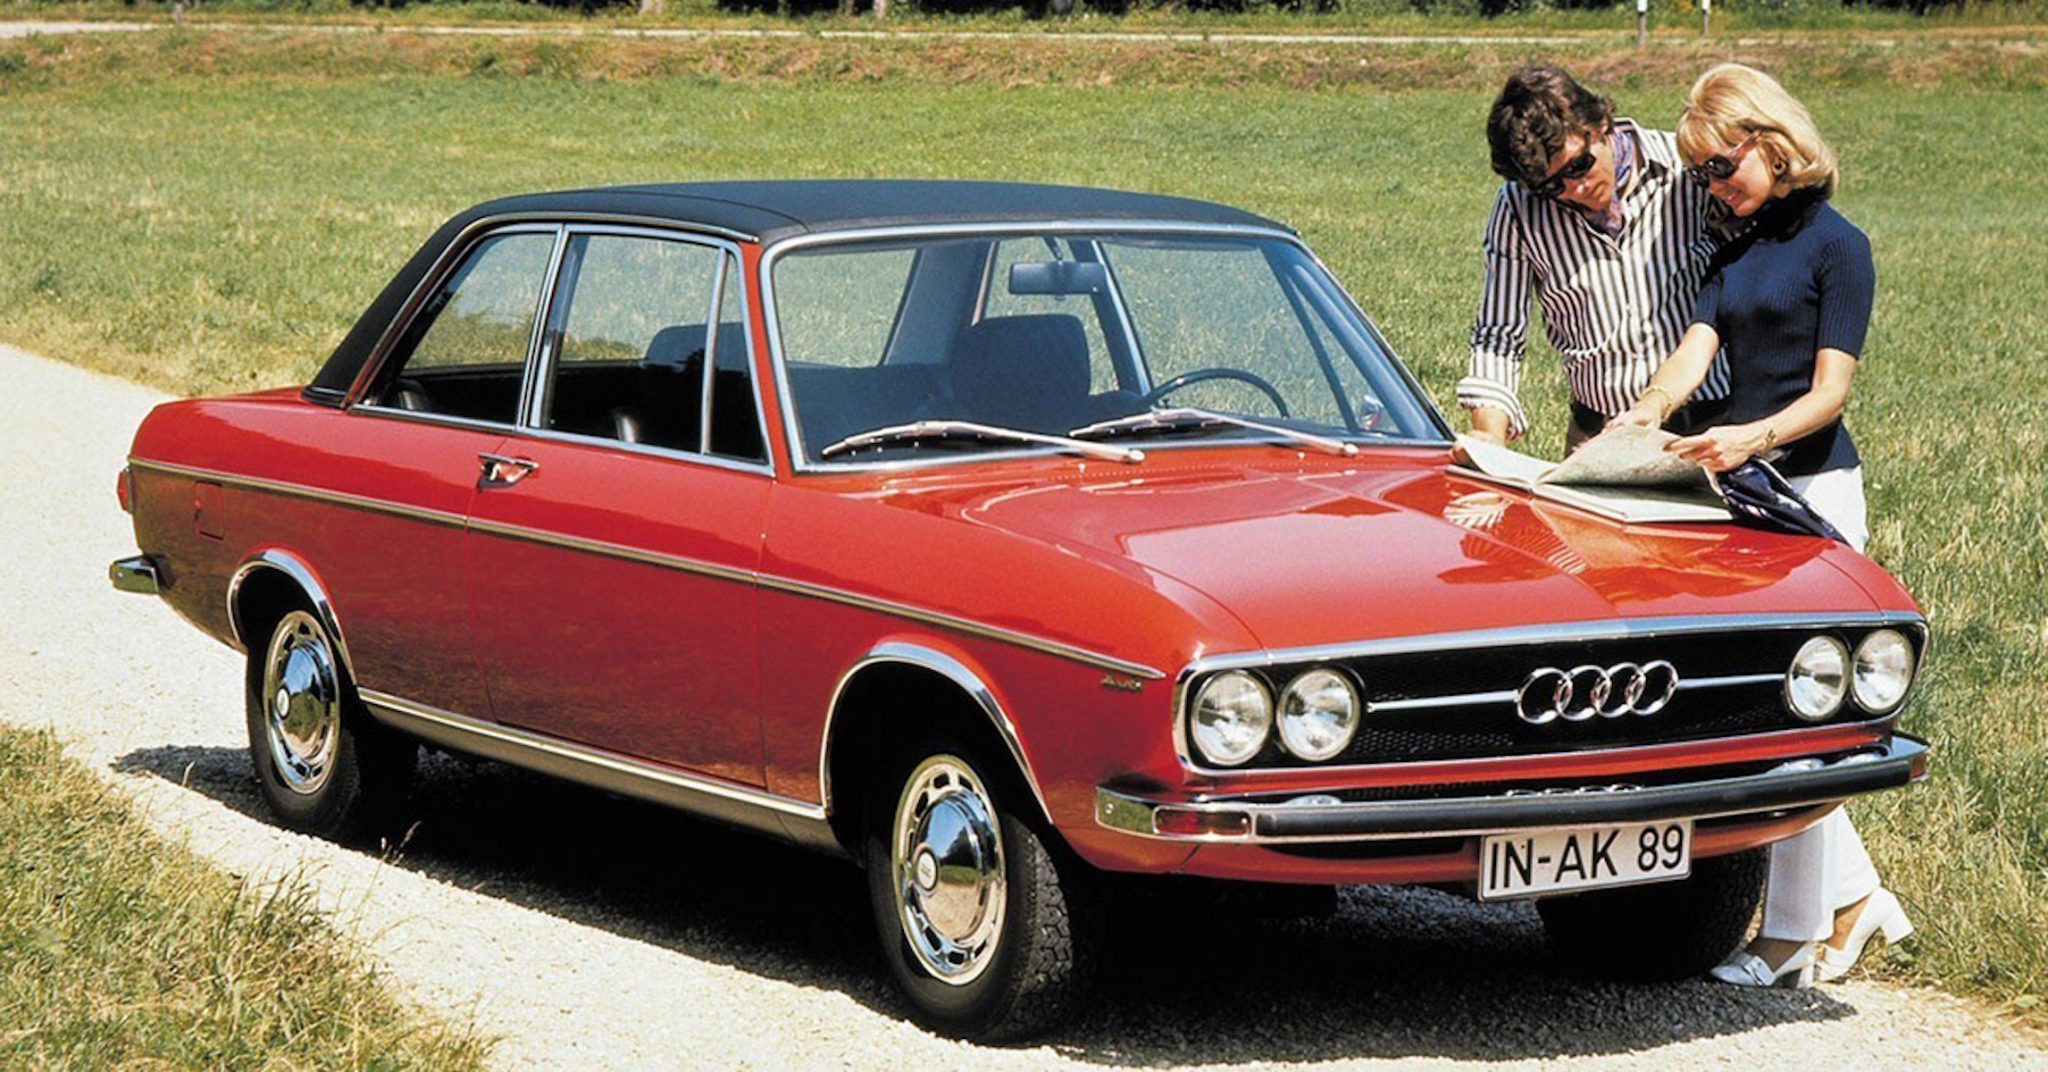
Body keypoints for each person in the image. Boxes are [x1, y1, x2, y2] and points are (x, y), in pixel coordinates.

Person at [1612, 62, 1912, 988]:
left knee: (1796, 715)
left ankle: (1789, 940)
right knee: (1766, 708)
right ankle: (1857, 902)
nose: (1710, 187)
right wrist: (1647, 415)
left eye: (1719, 167)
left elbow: (1831, 393)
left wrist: (1750, 436)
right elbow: (1690, 356)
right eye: (1699, 174)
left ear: (1772, 145)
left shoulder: (1840, 246)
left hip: (1814, 493)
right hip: (1745, 495)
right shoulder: (1731, 248)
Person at [1459, 65, 1732, 453]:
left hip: (1707, 428)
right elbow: (1498, 335)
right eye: (1552, 185)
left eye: (1579, 165)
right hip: (1596, 438)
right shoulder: (1518, 208)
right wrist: (1488, 434)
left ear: (1601, 123)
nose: (1575, 188)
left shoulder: (1683, 169)